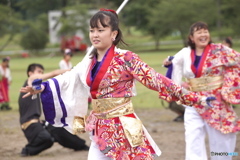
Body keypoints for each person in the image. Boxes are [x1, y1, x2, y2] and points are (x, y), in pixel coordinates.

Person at [20, 10, 215, 160]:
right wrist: (42, 87)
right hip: (99, 124)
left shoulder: (126, 58)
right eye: (92, 30)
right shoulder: (89, 61)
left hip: (124, 125)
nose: (95, 34)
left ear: (113, 34)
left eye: (101, 30)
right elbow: (69, 78)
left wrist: (195, 98)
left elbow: (157, 80)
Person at [162, 21, 240, 160]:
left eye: (205, 32)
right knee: (193, 139)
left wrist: (229, 85)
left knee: (221, 140)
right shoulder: (185, 53)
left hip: (216, 102)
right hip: (193, 102)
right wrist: (168, 62)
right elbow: (173, 63)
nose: (203, 35)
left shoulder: (220, 50)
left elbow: (237, 61)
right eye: (199, 32)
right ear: (192, 37)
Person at [18, 63, 89, 157]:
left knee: (58, 128)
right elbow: (54, 73)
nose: (40, 74)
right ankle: (27, 150)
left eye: (42, 72)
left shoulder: (37, 88)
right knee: (47, 139)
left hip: (38, 123)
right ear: (30, 73)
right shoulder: (30, 80)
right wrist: (73, 71)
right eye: (39, 72)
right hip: (30, 125)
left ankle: (80, 145)